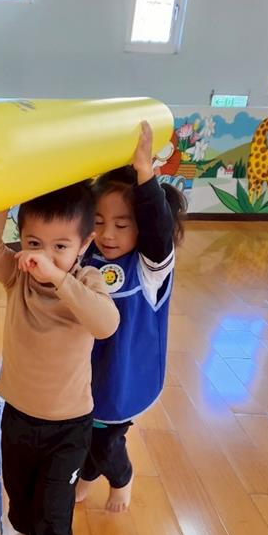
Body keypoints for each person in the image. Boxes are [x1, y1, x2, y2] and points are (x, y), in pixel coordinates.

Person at [0, 184, 119, 535]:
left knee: (54, 511)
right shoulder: (17, 276)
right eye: (34, 243)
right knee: (18, 489)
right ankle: (20, 530)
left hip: (68, 427)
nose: (45, 256)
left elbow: (106, 324)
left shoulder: (86, 282)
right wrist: (2, 191)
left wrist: (60, 278)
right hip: (18, 413)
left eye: (60, 246)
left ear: (84, 244)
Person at [76, 122, 187, 513]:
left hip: (122, 377)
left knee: (107, 441)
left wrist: (144, 174)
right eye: (98, 222)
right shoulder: (86, 253)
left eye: (122, 225)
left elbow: (157, 229)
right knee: (83, 433)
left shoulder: (149, 266)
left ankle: (121, 478)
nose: (107, 234)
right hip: (83, 373)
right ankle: (87, 474)